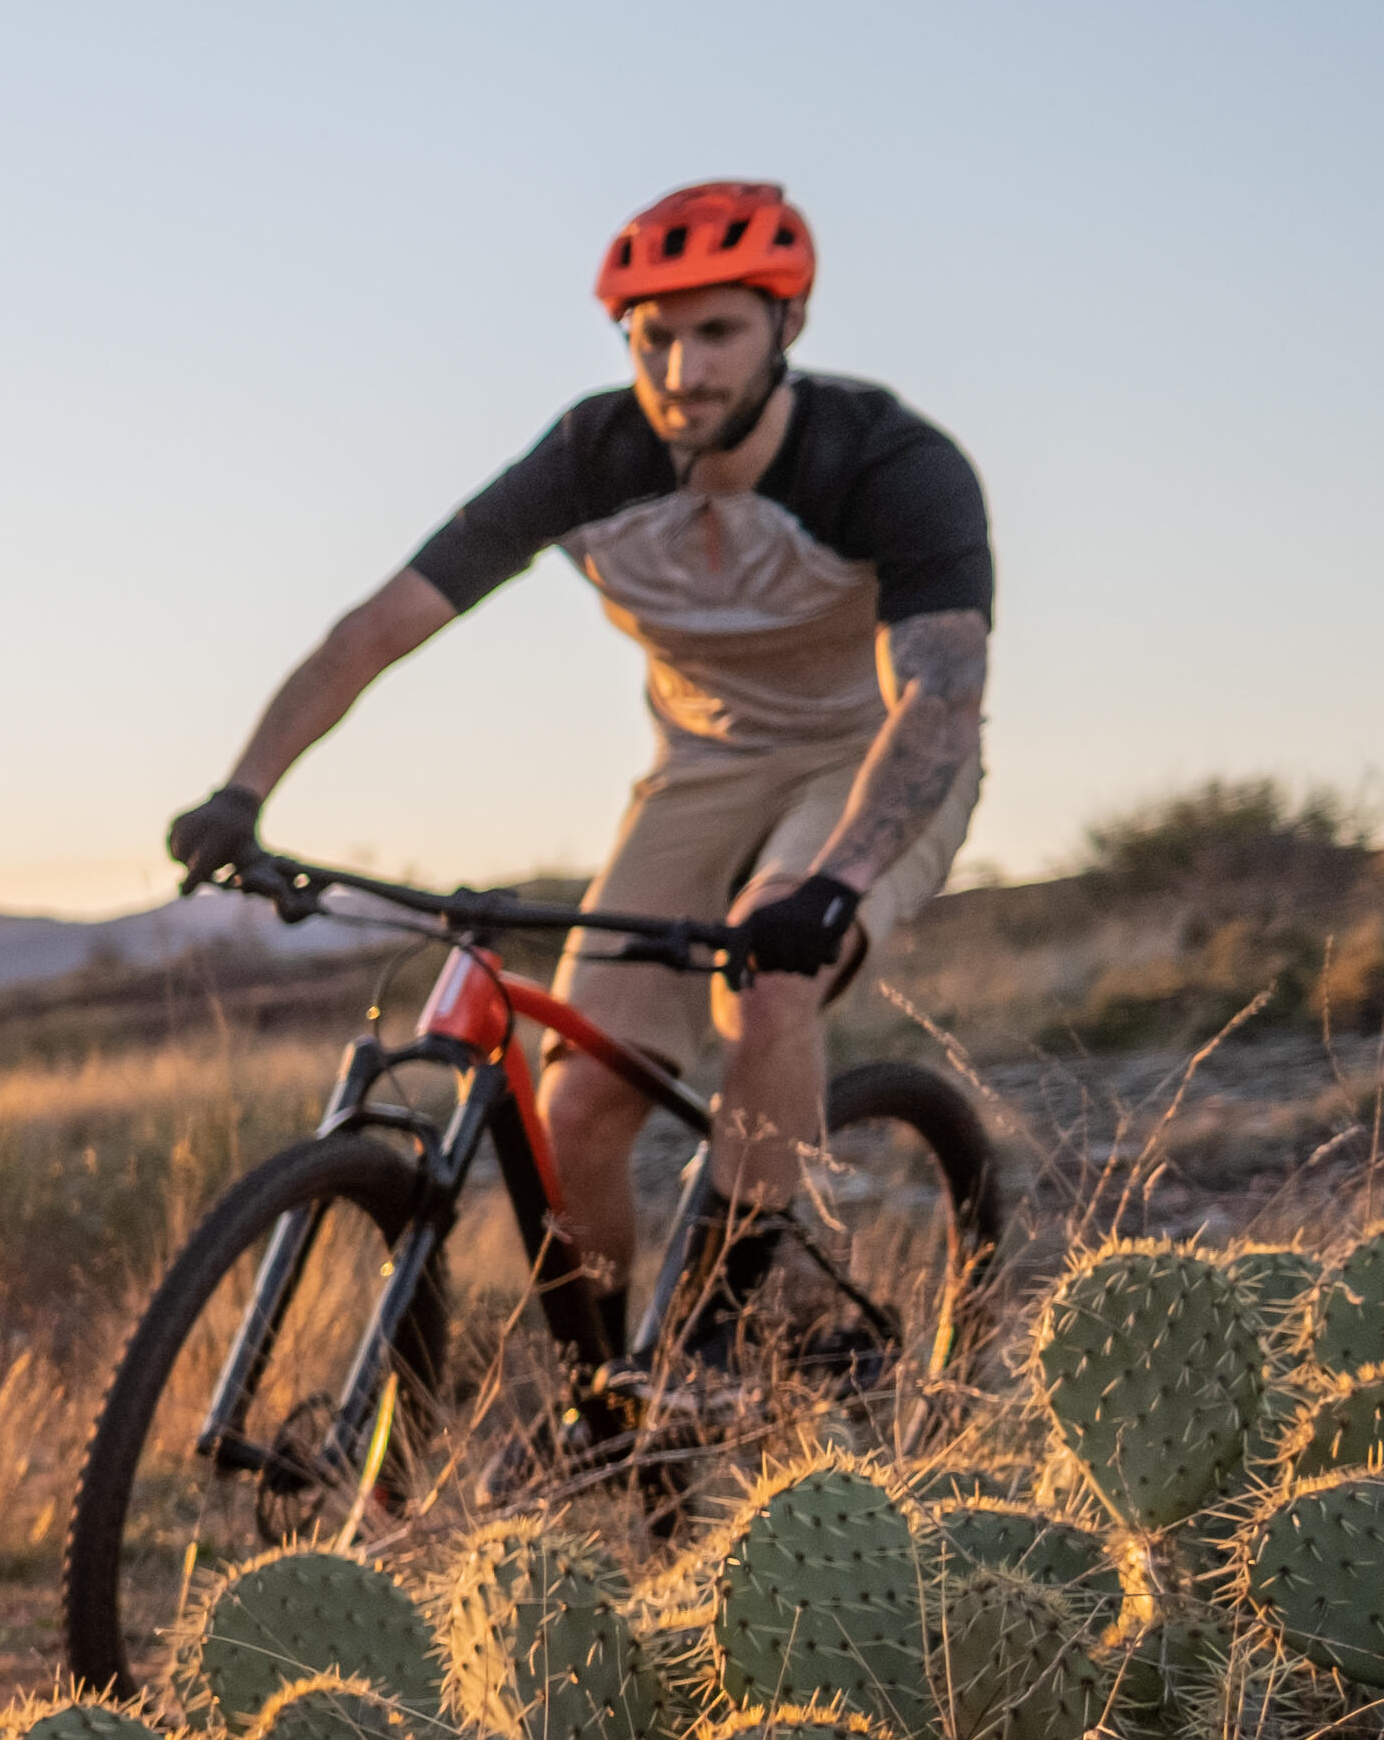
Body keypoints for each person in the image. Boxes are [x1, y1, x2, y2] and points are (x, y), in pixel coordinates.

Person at [166, 181, 993, 1320]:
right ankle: (606, 1405)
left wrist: (835, 886)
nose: (682, 370)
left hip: (870, 754)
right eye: (653, 338)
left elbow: (940, 703)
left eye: (718, 332)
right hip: (700, 766)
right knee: (579, 1107)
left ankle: (720, 1337)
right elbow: (376, 629)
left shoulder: (889, 464)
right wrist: (241, 789)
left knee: (769, 979)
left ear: (786, 328)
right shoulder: (589, 456)